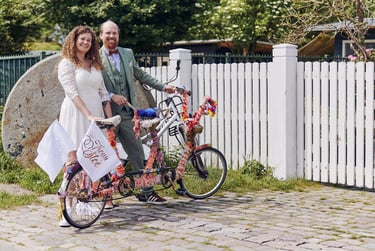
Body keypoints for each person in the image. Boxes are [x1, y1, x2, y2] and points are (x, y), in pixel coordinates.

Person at [99, 20, 176, 203]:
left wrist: (163, 87)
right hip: (104, 115)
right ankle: (103, 196)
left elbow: (140, 75)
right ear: (101, 35)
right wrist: (111, 95)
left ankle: (145, 191)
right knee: (102, 156)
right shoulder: (94, 56)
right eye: (108, 33)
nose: (111, 36)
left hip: (126, 114)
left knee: (138, 153)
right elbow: (93, 83)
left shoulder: (127, 53)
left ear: (118, 35)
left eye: (114, 33)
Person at [57, 25, 113, 227]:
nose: (86, 42)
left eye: (89, 40)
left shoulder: (94, 64)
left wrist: (109, 119)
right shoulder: (67, 64)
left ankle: (84, 200)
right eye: (82, 39)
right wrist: (87, 114)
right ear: (74, 40)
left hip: (95, 116)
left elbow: (103, 93)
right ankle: (66, 209)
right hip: (75, 114)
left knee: (90, 159)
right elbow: (71, 93)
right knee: (73, 162)